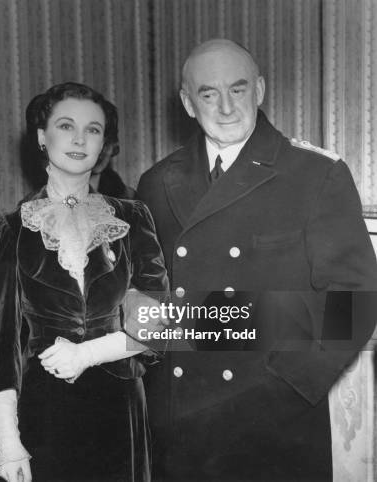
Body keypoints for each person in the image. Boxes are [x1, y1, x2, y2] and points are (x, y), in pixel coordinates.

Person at [137, 38, 377, 481]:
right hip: (182, 420)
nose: (226, 107)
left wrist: (286, 385)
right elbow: (146, 308)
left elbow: (355, 303)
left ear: (260, 91)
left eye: (239, 89)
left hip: (274, 419)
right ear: (188, 104)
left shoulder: (315, 175)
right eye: (209, 94)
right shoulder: (155, 182)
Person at [0, 82, 169, 482]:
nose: (80, 139)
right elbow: (1, 344)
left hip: (120, 409)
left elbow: (157, 324)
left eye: (94, 129)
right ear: (41, 137)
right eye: (66, 126)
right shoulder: (9, 229)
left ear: (104, 143)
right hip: (42, 411)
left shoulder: (133, 217)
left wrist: (88, 354)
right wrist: (8, 441)